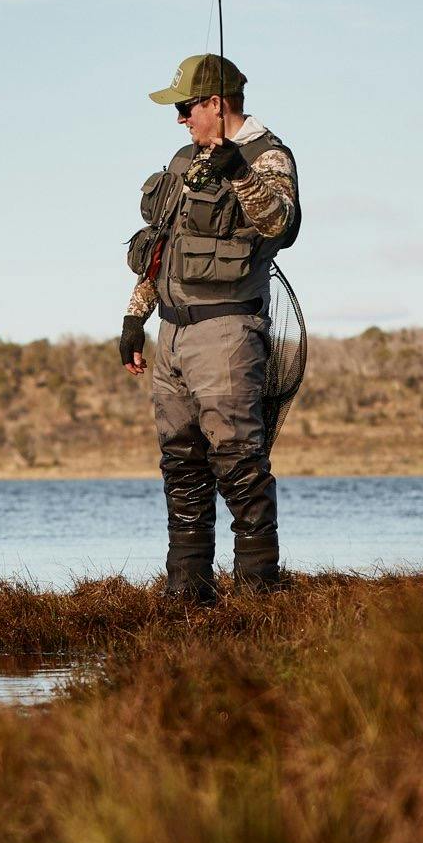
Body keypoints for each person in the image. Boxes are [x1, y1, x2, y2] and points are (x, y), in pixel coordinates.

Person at [119, 54, 301, 601]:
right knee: (181, 466)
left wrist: (238, 172)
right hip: (171, 334)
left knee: (239, 464)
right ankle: (188, 595)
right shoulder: (183, 160)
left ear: (215, 105)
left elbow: (281, 224)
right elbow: (162, 245)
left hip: (226, 333)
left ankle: (256, 597)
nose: (180, 120)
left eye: (185, 108)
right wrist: (135, 316)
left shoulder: (269, 156)